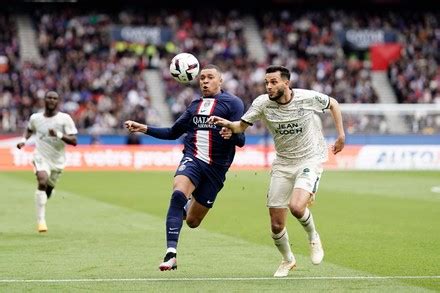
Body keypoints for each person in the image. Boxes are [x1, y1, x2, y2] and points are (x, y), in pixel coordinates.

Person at [208, 65, 345, 277]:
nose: (269, 87)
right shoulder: (262, 103)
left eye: (273, 82)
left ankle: (313, 237)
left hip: (310, 158)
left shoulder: (305, 98)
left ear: (286, 83)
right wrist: (228, 125)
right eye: (266, 83)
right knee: (275, 224)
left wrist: (341, 136)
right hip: (283, 163)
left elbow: (333, 104)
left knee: (297, 207)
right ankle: (288, 260)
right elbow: (241, 126)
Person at [124, 64, 245, 271]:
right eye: (202, 78)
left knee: (192, 221)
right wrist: (143, 128)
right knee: (178, 194)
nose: (205, 81)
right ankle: (171, 253)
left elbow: (241, 138)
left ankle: (188, 207)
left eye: (210, 77)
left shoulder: (233, 103)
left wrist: (232, 134)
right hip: (193, 158)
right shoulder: (194, 105)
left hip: (216, 170)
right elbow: (173, 132)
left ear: (220, 80)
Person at [16, 91, 78, 233]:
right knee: (42, 180)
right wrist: (23, 140)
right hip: (41, 156)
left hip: (58, 161)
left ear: (58, 101)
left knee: (48, 189)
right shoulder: (35, 118)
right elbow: (29, 129)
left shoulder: (65, 119)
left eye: (55, 98)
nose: (51, 100)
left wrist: (58, 134)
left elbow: (74, 141)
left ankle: (49, 190)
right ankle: (41, 221)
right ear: (44, 100)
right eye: (49, 97)